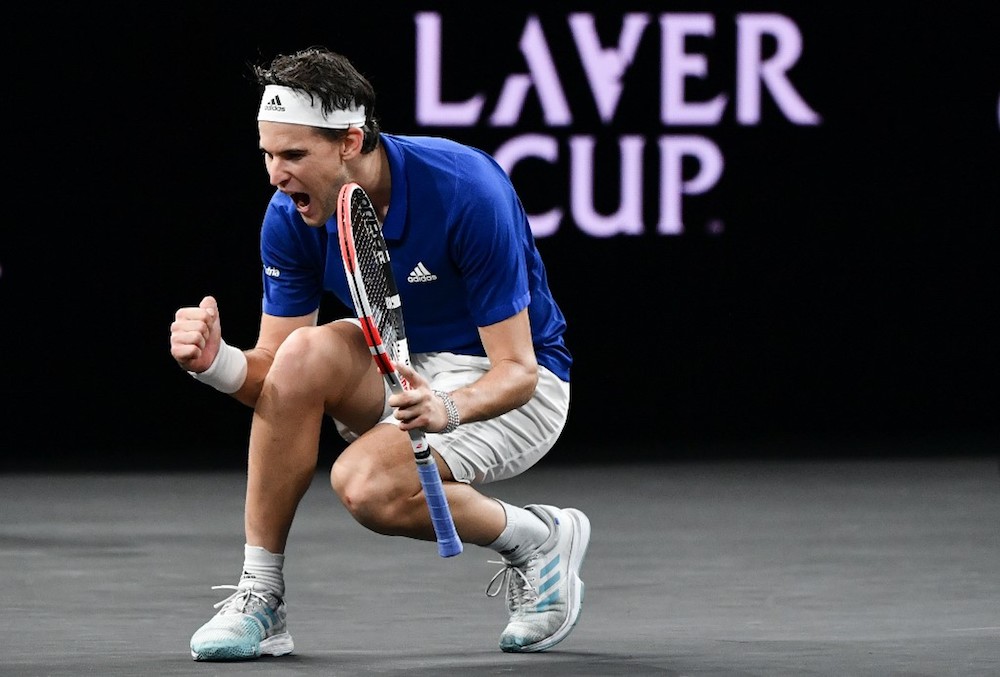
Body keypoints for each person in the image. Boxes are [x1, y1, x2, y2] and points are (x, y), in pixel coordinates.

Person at [169, 46, 590, 661]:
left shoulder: (466, 189)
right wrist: (215, 364)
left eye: (293, 155)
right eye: (267, 154)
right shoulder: (290, 215)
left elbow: (518, 372)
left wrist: (447, 404)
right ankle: (262, 595)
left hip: (513, 383)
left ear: (349, 141)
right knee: (307, 353)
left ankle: (537, 540)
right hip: (400, 371)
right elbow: (278, 381)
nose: (275, 175)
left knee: (368, 487)